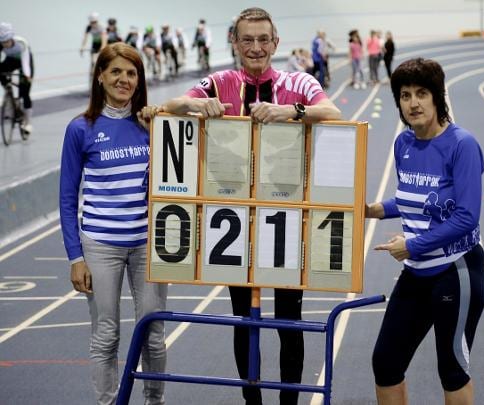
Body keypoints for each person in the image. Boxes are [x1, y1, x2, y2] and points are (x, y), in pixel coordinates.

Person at [141, 7, 340, 405]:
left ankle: (289, 402)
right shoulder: (220, 82)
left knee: (289, 323)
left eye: (263, 39)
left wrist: (290, 112)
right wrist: (199, 106)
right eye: (246, 40)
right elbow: (173, 104)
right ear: (234, 42)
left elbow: (333, 112)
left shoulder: (297, 82)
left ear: (276, 43)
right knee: (244, 320)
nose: (255, 48)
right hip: (234, 223)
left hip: (287, 220)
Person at [366, 58, 484, 405]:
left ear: (437, 97)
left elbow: (466, 217)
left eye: (422, 93)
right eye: (405, 96)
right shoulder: (404, 144)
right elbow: (415, 199)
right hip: (417, 271)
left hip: (457, 271)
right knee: (386, 362)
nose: (413, 103)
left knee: (451, 370)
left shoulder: (462, 144)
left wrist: (413, 245)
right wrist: (376, 210)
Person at [59, 42, 167, 405]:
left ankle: (155, 400)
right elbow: (67, 197)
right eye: (116, 71)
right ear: (101, 76)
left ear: (140, 80)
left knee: (152, 333)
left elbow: (171, 183)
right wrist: (76, 256)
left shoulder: (152, 125)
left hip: (147, 245)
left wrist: (157, 131)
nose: (124, 79)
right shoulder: (81, 128)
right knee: (106, 335)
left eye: (132, 73)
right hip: (100, 247)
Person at [0, 22, 34, 134]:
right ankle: (8, 93)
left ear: (11, 38)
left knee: (25, 92)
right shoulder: (1, 44)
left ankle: (28, 123)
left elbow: (25, 63)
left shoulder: (21, 43)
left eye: (7, 41)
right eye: (2, 42)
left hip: (24, 61)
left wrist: (27, 76)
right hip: (11, 60)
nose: (5, 44)